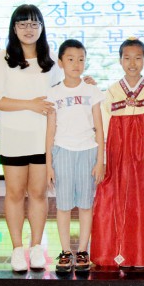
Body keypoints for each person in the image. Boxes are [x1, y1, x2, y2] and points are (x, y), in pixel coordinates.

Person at [0, 4, 62, 272]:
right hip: (14, 138)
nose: (29, 29)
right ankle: (17, 249)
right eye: (23, 24)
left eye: (34, 23)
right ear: (14, 28)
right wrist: (30, 104)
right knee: (15, 193)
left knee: (39, 193)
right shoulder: (2, 59)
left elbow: (65, 89)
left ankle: (36, 247)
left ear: (42, 27)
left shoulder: (52, 61)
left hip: (43, 138)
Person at [91, 38, 144, 270]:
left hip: (143, 156)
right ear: (120, 60)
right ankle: (112, 253)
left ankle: (140, 254)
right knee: (112, 198)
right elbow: (103, 127)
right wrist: (103, 158)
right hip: (117, 153)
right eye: (127, 58)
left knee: (141, 202)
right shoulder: (111, 92)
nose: (132, 63)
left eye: (137, 58)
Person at [45, 39, 105, 272]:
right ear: (60, 62)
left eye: (81, 59)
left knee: (85, 205)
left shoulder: (92, 91)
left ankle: (82, 251)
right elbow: (50, 130)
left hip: (88, 151)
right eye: (70, 59)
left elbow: (100, 128)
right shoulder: (53, 93)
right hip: (62, 151)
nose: (76, 64)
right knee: (63, 206)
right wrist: (49, 164)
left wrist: (100, 161)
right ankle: (64, 251)